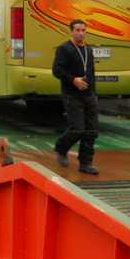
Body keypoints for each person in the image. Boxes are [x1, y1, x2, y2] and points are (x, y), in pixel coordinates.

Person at [52, 19, 100, 174]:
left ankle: (85, 164)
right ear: (71, 31)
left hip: (88, 96)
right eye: (78, 30)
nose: (81, 33)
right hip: (72, 95)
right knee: (78, 129)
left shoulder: (89, 50)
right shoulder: (65, 49)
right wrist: (74, 80)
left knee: (91, 131)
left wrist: (94, 93)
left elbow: (92, 74)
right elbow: (57, 70)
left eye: (83, 30)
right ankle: (61, 149)